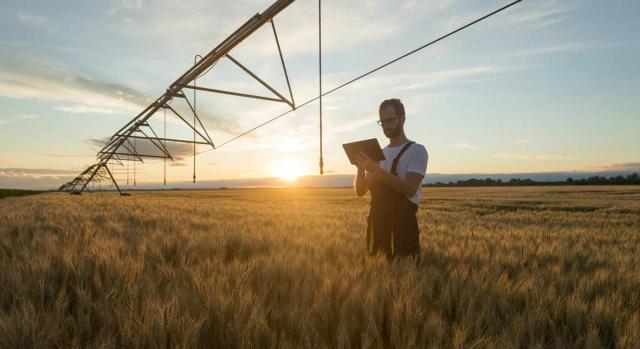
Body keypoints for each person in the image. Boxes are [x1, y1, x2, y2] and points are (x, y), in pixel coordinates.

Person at [353, 98, 428, 261]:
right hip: (377, 224)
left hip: (403, 226)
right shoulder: (377, 154)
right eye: (383, 121)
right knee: (378, 274)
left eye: (391, 120)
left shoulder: (417, 151)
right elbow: (360, 191)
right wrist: (360, 168)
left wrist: (376, 169)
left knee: (405, 275)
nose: (387, 125)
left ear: (403, 118)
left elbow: (410, 188)